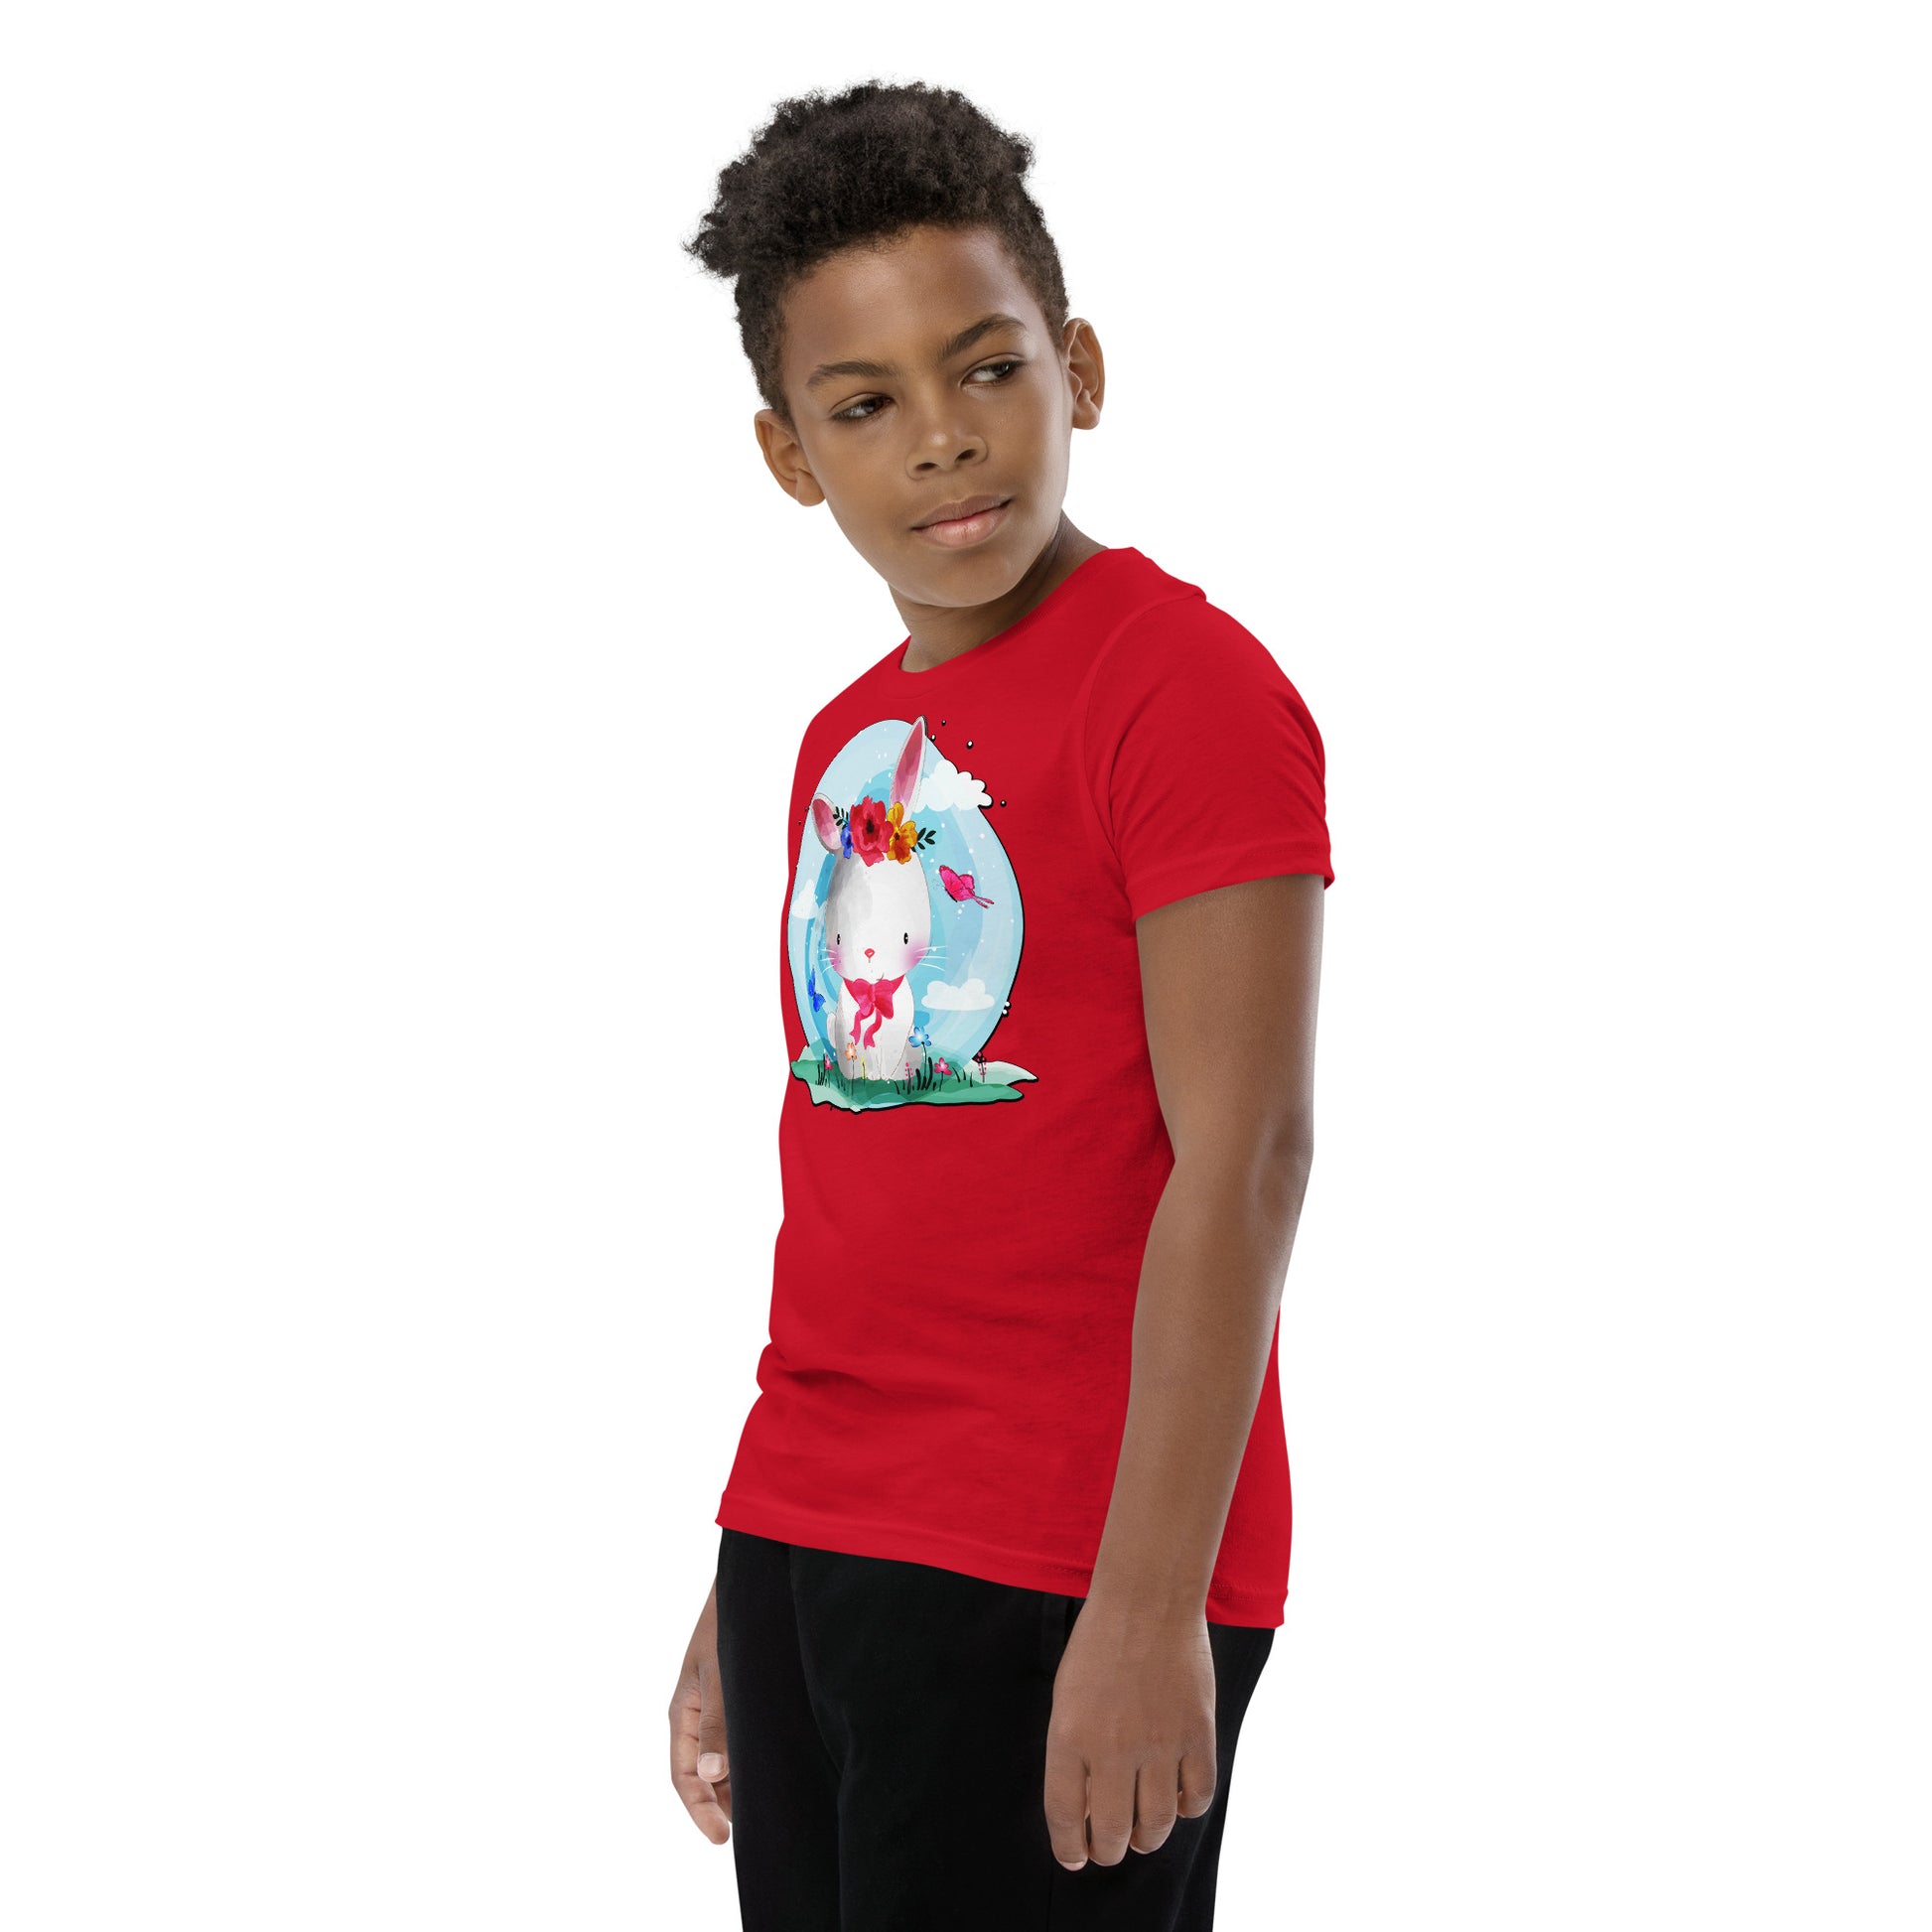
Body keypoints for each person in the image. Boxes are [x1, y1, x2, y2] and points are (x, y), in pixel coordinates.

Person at [668, 79, 1332, 1931]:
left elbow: (1247, 1157)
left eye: (985, 369)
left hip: (1058, 1554)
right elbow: (858, 1185)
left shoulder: (1179, 688)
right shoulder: (847, 740)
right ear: (790, 453)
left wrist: (1147, 1605)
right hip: (817, 1529)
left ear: (1077, 369)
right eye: (864, 404)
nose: (944, 439)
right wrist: (749, 1564)